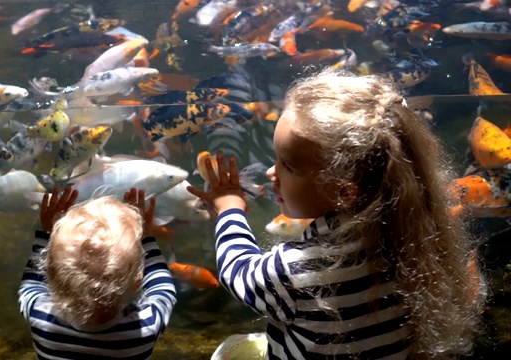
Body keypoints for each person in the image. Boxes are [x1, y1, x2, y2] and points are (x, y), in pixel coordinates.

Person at [187, 70, 484, 360]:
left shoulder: (298, 269)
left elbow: (237, 271)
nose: (271, 172)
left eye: (288, 166)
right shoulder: (409, 238)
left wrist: (229, 208)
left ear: (343, 192)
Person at [18, 186, 176, 359]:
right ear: (139, 278)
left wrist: (46, 232)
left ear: (50, 272)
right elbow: (163, 290)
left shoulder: (41, 320)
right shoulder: (145, 328)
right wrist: (146, 236)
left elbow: (31, 283)